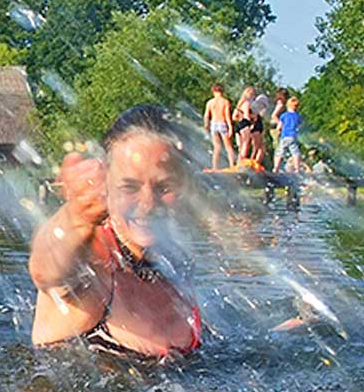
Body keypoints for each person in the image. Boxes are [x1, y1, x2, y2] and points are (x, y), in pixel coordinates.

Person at [29, 105, 201, 360]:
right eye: (129, 187)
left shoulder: (173, 260)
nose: (148, 204)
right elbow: (46, 272)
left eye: (164, 187)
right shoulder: (94, 259)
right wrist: (76, 216)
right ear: (105, 182)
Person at [203, 84, 237, 171]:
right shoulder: (225, 102)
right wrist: (230, 127)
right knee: (228, 147)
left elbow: (206, 115)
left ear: (213, 91)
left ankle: (214, 166)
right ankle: (232, 165)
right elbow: (227, 116)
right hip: (222, 123)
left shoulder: (210, 102)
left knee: (216, 147)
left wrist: (206, 125)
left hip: (213, 123)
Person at [232, 87, 261, 169]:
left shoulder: (240, 103)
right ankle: (241, 163)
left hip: (239, 124)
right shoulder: (247, 103)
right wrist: (253, 119)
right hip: (245, 124)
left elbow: (234, 117)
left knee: (240, 146)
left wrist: (240, 117)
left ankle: (238, 162)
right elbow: (247, 116)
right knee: (245, 144)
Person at [273, 96, 303, 173]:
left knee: (279, 152)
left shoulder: (284, 115)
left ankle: (276, 168)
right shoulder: (298, 116)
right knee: (295, 152)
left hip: (285, 136)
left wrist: (277, 132)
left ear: (287, 105)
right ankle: (297, 169)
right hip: (293, 136)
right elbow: (299, 126)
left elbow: (279, 126)